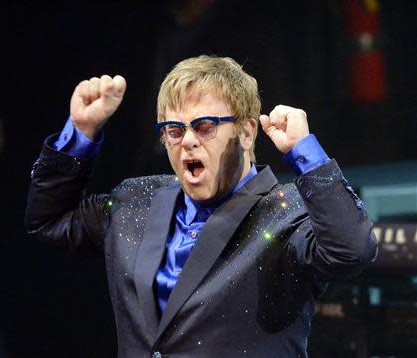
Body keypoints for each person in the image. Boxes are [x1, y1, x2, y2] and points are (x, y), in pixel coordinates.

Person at [25, 55, 378, 357]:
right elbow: (49, 220)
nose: (189, 141)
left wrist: (305, 153)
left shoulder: (287, 213)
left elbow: (352, 251)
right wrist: (80, 133)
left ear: (245, 132)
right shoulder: (136, 202)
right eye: (175, 130)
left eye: (205, 126)